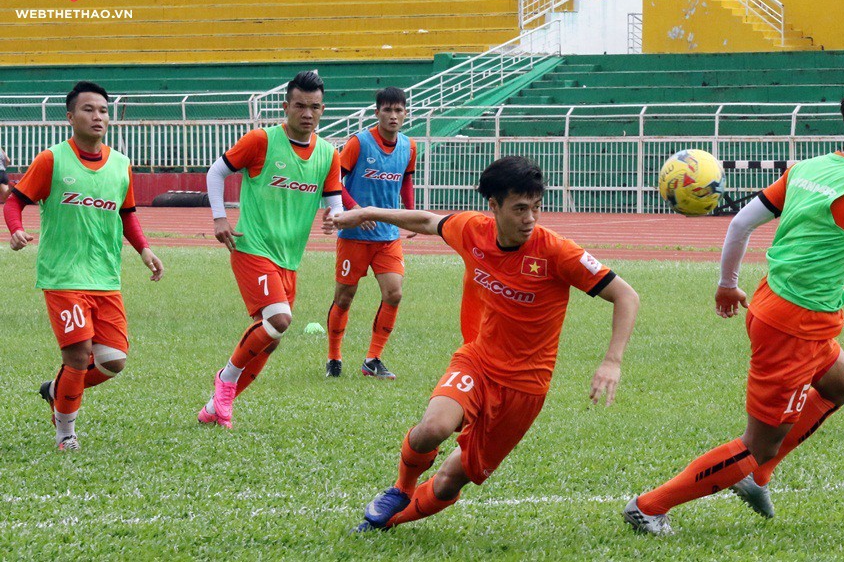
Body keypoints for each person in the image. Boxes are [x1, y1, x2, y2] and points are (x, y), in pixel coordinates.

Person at [624, 87, 844, 535]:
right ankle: (648, 506)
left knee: (842, 385)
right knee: (757, 444)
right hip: (794, 328)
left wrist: (727, 285)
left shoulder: (807, 168)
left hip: (779, 307)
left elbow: (741, 224)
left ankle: (757, 477)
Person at [329, 155, 639, 532]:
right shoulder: (472, 230)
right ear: (493, 206)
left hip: (525, 387)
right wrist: (365, 213)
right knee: (432, 429)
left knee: (448, 481)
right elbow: (427, 221)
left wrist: (612, 360)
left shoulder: (558, 252)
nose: (530, 219)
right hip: (477, 360)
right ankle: (401, 489)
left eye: (536, 209)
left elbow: (627, 296)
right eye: (520, 209)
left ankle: (389, 522)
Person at [4, 81, 163, 451]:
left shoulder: (121, 164)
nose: (98, 116)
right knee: (77, 354)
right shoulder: (52, 160)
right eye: (88, 109)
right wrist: (16, 231)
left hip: (105, 278)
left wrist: (144, 250)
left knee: (113, 361)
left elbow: (128, 214)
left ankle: (56, 391)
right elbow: (15, 202)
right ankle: (66, 435)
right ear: (70, 116)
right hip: (63, 276)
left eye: (103, 110)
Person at [197, 71, 343, 429]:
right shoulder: (261, 140)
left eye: (314, 107)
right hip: (251, 245)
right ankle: (226, 379)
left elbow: (334, 203)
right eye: (300, 106)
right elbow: (216, 173)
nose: (307, 113)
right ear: (286, 107)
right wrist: (219, 218)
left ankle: (215, 409)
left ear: (322, 110)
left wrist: (335, 218)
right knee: (279, 322)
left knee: (270, 341)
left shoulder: (327, 153)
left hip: (288, 257)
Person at [325, 87, 417, 380]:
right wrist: (356, 211)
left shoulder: (409, 147)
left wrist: (411, 215)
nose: (393, 116)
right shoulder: (358, 143)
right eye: (387, 110)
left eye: (398, 110)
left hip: (387, 235)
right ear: (376, 113)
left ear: (405, 114)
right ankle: (334, 358)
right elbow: (334, 181)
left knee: (394, 293)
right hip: (354, 236)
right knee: (344, 298)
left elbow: (405, 183)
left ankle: (373, 359)